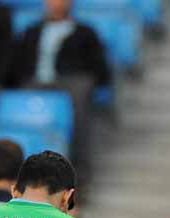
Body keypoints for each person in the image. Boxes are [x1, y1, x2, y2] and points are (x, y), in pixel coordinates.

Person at [15, 0, 111, 178]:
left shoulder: (85, 33)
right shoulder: (32, 31)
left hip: (69, 85)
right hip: (35, 84)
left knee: (80, 93)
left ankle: (78, 167)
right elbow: (17, 67)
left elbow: (99, 70)